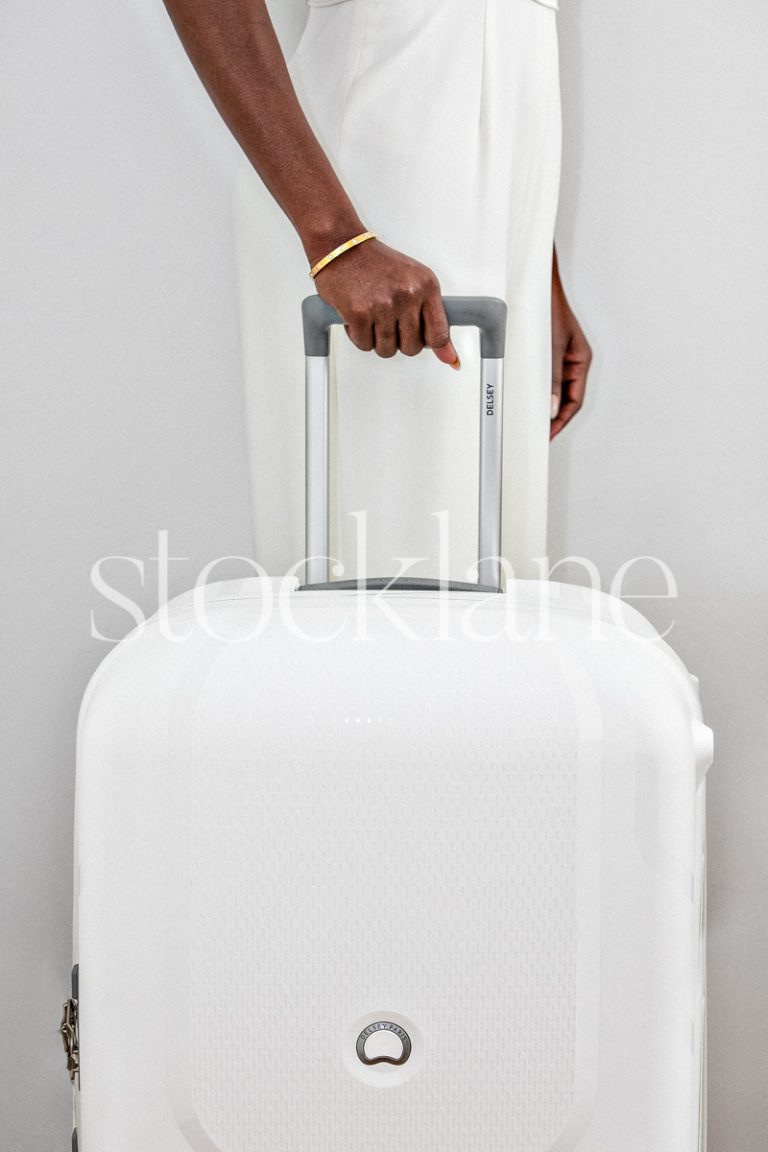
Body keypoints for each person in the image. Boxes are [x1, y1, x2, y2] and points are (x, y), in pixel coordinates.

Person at [162, 0, 592, 582]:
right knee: (388, 557)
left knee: (493, 577)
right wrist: (337, 239)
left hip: (507, 198)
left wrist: (543, 279)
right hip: (376, 180)